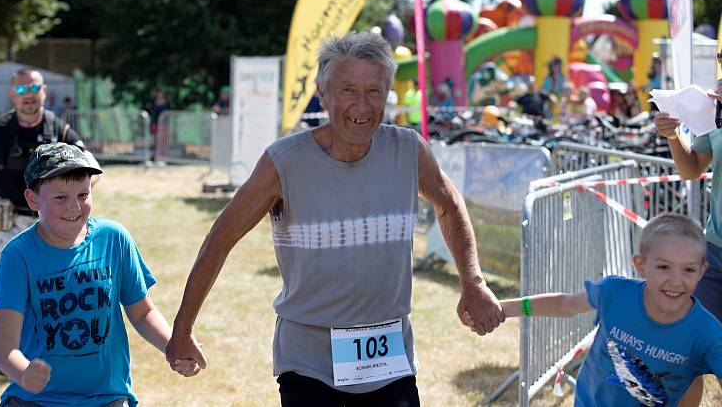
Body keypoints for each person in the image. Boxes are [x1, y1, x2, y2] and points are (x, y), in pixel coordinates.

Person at [165, 31, 504, 406]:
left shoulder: (409, 150)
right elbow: (221, 237)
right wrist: (183, 327)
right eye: (347, 90)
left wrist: (473, 283)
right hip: (308, 363)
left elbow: (450, 205)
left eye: (374, 91)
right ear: (323, 94)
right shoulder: (284, 162)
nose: (362, 105)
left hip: (389, 360)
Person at [0, 143, 180, 406]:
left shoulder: (114, 239)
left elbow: (143, 313)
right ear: (33, 199)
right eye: (60, 198)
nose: (74, 207)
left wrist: (173, 346)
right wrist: (22, 371)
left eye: (83, 194)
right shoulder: (18, 256)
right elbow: (3, 340)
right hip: (35, 400)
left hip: (105, 397)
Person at [495, 214, 722, 406]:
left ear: (702, 271)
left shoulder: (708, 333)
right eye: (663, 267)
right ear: (640, 265)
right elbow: (565, 304)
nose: (676, 280)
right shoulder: (614, 292)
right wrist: (502, 309)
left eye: (688, 270)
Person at [0, 67, 93, 288]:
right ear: (12, 93)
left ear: (44, 91)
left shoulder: (59, 130)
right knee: (10, 286)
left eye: (34, 87)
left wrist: (75, 195)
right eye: (21, 88)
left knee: (51, 286)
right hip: (6, 221)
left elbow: (90, 166)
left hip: (49, 220)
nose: (28, 94)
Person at [654, 74, 722, 405]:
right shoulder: (716, 110)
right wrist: (672, 134)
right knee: (687, 355)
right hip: (715, 251)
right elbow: (691, 168)